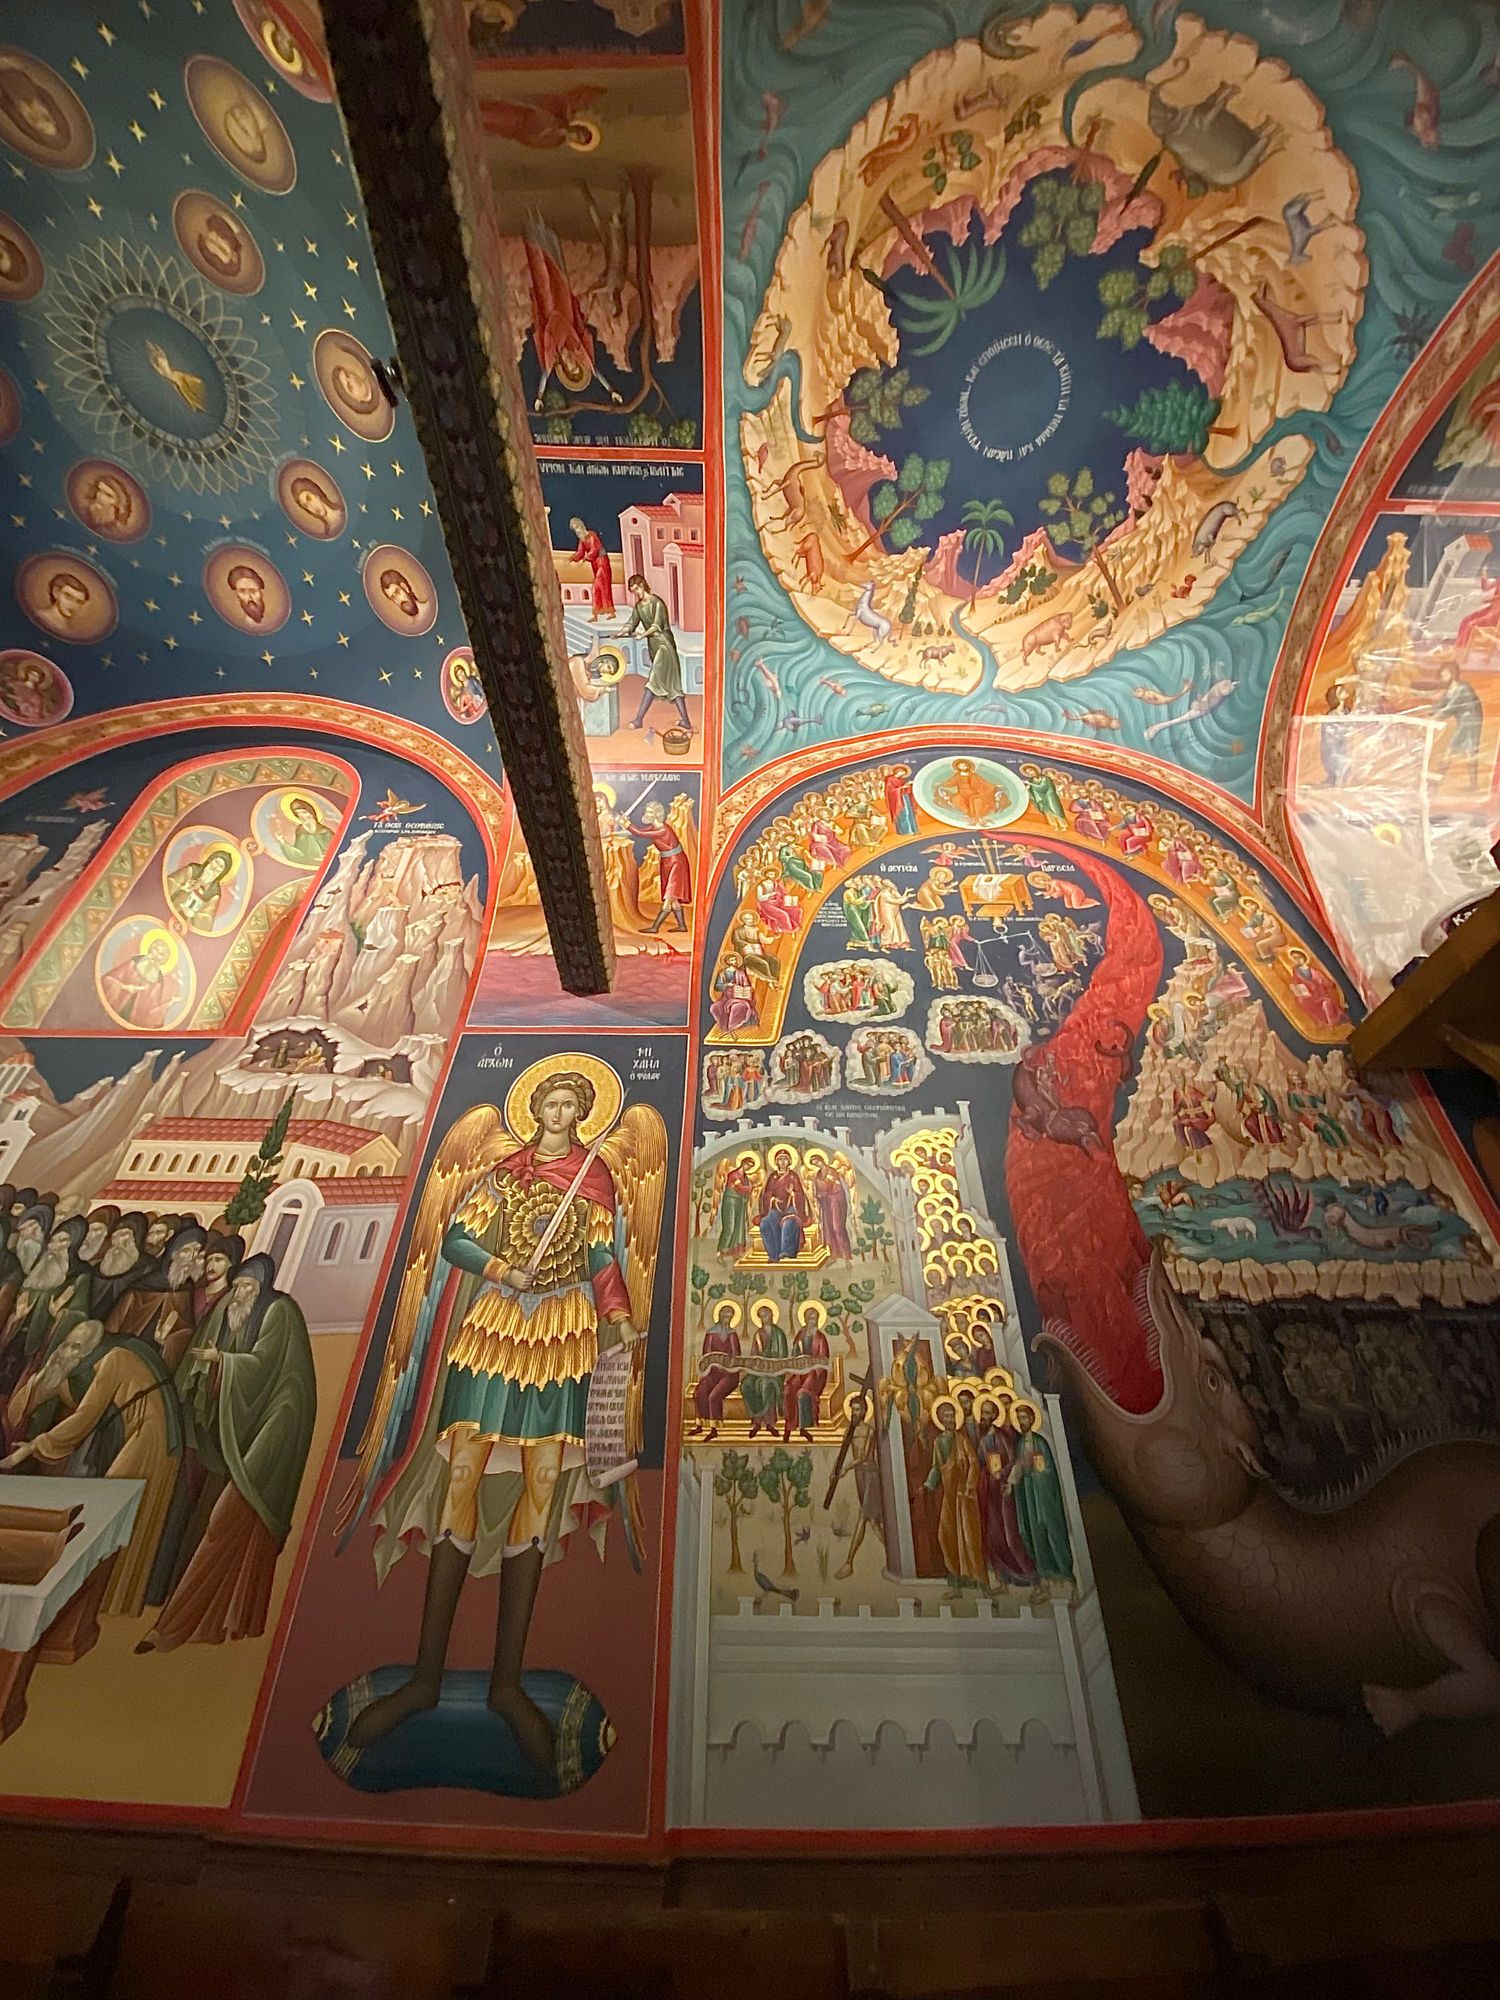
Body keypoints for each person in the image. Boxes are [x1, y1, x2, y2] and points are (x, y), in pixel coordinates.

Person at [345, 1070, 657, 1766]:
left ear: (582, 1114)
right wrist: (502, 1270)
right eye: (551, 1103)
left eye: (571, 1105)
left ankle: (507, 1685)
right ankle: (425, 1677)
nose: (560, 1113)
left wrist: (617, 1316)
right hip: (494, 1327)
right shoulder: (506, 1174)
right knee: (464, 1474)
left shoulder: (593, 1178)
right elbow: (456, 1239)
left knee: (541, 1483)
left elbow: (602, 1257)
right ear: (535, 1109)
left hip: (563, 1331)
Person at [139, 1253, 316, 1654]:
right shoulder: (229, 1311)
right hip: (227, 1430)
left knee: (229, 1521)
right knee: (205, 1517)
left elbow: (266, 1367)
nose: (240, 1293)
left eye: (248, 1287)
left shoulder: (280, 1312)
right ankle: (197, 1620)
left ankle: (180, 1626)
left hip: (274, 1430)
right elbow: (200, 1354)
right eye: (238, 1286)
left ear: (263, 1287)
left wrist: (223, 1361)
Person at [2, 1318, 183, 1618]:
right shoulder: (85, 1369)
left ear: (91, 1349)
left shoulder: (114, 1358)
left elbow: (86, 1416)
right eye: (66, 1344)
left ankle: (102, 1602)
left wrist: (34, 1447)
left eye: (75, 1347)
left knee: (114, 1512)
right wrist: (39, 1381)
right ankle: (103, 1599)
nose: (67, 1351)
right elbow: (30, 1402)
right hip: (138, 1432)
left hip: (149, 1435)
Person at [924, 1398, 985, 1597]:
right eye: (946, 1417)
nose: (950, 1420)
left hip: (963, 1496)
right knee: (946, 1536)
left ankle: (980, 1582)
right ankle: (956, 1583)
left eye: (952, 1416)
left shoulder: (962, 1440)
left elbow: (974, 1462)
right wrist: (928, 1485)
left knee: (968, 1538)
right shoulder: (939, 1442)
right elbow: (937, 1466)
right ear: (940, 1419)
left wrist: (969, 1485)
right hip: (949, 1496)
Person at [1008, 1403, 1073, 1591]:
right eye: (1019, 1419)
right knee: (1033, 1533)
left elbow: (1048, 1470)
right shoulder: (1020, 1444)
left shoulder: (1040, 1442)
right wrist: (1012, 1482)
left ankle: (1065, 1575)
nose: (1022, 1422)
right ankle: (1045, 1574)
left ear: (1032, 1419)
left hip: (1043, 1496)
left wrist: (1038, 1474)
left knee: (1051, 1529)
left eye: (1024, 1418)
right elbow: (1018, 1467)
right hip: (1028, 1495)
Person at [623, 574, 692, 735]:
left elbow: (656, 626)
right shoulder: (639, 607)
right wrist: (622, 631)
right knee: (673, 686)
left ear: (642, 586)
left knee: (653, 681)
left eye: (636, 589)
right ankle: (686, 722)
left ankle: (638, 720)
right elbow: (632, 623)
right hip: (655, 647)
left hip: (665, 646)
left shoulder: (657, 603)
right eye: (633, 591)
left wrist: (642, 635)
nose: (636, 593)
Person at [833, 1391, 884, 1578]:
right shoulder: (850, 1432)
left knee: (863, 1516)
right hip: (859, 1475)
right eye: (853, 1410)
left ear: (864, 1412)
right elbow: (843, 1452)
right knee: (873, 1521)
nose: (855, 1413)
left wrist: (845, 1469)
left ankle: (849, 1563)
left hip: (870, 1474)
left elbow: (863, 1457)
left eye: (858, 1410)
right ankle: (894, 1555)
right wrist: (834, 1471)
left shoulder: (869, 1431)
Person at [628, 800, 692, 934]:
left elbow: (640, 834)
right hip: (667, 861)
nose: (647, 814)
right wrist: (625, 826)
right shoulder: (654, 827)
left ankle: (655, 927)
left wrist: (628, 825)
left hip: (676, 862)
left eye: (650, 812)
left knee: (670, 896)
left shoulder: (663, 830)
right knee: (673, 897)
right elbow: (639, 832)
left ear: (657, 814)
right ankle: (682, 926)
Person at [100, 933, 183, 1030]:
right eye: (156, 950)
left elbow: (152, 1012)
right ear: (151, 948)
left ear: (164, 959)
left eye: (161, 954)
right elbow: (108, 980)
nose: (156, 955)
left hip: (135, 1020)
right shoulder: (133, 963)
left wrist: (169, 1003)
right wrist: (124, 987)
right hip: (116, 1007)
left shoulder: (158, 982)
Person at [689, 1302, 741, 1442]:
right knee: (699, 1392)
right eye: (725, 1315)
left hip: (729, 1375)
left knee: (714, 1396)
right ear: (719, 1315)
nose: (727, 1318)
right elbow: (706, 1354)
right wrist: (712, 1365)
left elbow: (736, 1356)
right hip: (713, 1373)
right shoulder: (711, 1333)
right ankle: (700, 1424)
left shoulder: (732, 1334)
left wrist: (727, 1365)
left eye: (730, 1316)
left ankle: (714, 1429)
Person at [782, 1305, 830, 1442]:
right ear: (805, 1319)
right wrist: (797, 1363)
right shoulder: (800, 1335)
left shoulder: (820, 1338)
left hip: (814, 1375)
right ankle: (789, 1427)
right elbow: (794, 1354)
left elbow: (823, 1359)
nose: (813, 1321)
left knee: (802, 1394)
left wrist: (812, 1365)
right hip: (799, 1372)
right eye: (811, 1318)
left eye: (815, 1318)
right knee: (788, 1390)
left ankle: (804, 1428)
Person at [740, 1301, 786, 1440]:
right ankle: (756, 1422)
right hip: (759, 1370)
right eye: (762, 1316)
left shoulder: (779, 1334)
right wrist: (756, 1365)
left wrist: (772, 1366)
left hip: (775, 1371)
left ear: (771, 1316)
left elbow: (783, 1356)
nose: (764, 1318)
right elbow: (754, 1354)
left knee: (767, 1385)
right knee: (747, 1384)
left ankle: (770, 1423)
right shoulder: (758, 1334)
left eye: (766, 1315)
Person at [756, 1148, 811, 1263]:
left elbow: (800, 1194)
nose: (782, 1162)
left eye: (785, 1159)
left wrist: (793, 1194)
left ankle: (786, 1251)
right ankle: (773, 1254)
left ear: (789, 1161)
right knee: (765, 1223)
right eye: (780, 1159)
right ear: (776, 1161)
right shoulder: (772, 1177)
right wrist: (772, 1199)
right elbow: (766, 1194)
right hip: (775, 1208)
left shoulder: (793, 1176)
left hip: (791, 1208)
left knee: (788, 1223)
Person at [167, 847, 235, 926]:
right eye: (216, 862)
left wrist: (195, 914)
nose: (215, 867)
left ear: (221, 873)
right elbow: (170, 883)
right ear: (210, 860)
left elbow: (206, 918)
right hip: (170, 908)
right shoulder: (192, 870)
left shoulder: (214, 893)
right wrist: (183, 888)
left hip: (183, 924)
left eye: (220, 867)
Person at [568, 516, 615, 620]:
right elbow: (580, 552)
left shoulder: (592, 535)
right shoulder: (582, 540)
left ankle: (610, 612)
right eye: (575, 529)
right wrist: (573, 558)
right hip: (595, 564)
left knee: (601, 586)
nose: (577, 531)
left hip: (602, 562)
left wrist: (585, 558)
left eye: (577, 527)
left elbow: (594, 550)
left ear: (581, 526)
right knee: (597, 588)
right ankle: (596, 614)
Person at [273, 795, 334, 867]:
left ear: (311, 813)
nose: (304, 817)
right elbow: (299, 855)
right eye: (299, 815)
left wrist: (329, 856)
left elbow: (338, 849)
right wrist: (282, 841)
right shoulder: (300, 831)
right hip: (308, 865)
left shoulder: (326, 832)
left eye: (304, 813)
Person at [813, 1158, 851, 1261]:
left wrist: (822, 1190)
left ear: (822, 1160)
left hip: (835, 1201)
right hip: (826, 1203)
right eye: (814, 1163)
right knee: (828, 1229)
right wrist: (818, 1194)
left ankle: (845, 1254)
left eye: (817, 1161)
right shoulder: (818, 1174)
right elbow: (817, 1190)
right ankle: (834, 1254)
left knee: (837, 1227)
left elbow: (829, 1185)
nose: (816, 1164)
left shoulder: (831, 1171)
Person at [288, 473, 343, 537]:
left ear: (316, 493)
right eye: (306, 506)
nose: (311, 507)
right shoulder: (328, 532)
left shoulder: (342, 512)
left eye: (309, 499)